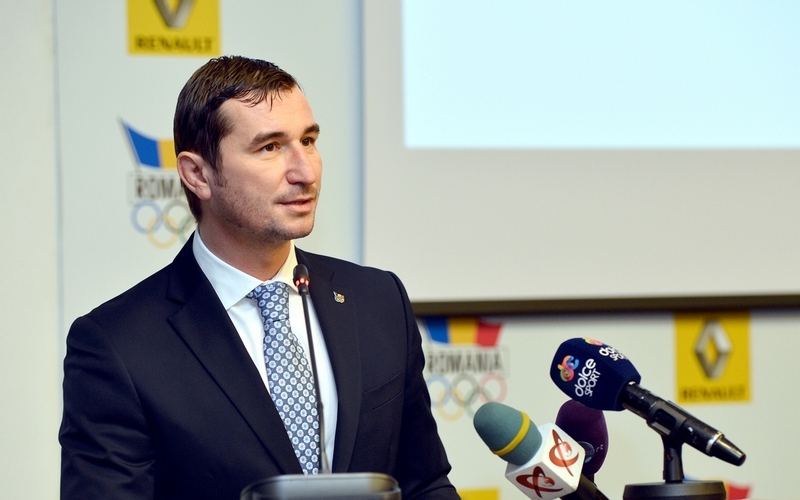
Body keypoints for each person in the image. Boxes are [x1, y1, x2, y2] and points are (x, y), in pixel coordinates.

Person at [59, 55, 459, 500]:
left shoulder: (378, 300)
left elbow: (425, 485)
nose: (305, 172)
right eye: (270, 147)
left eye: (308, 141)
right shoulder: (117, 346)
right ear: (198, 174)